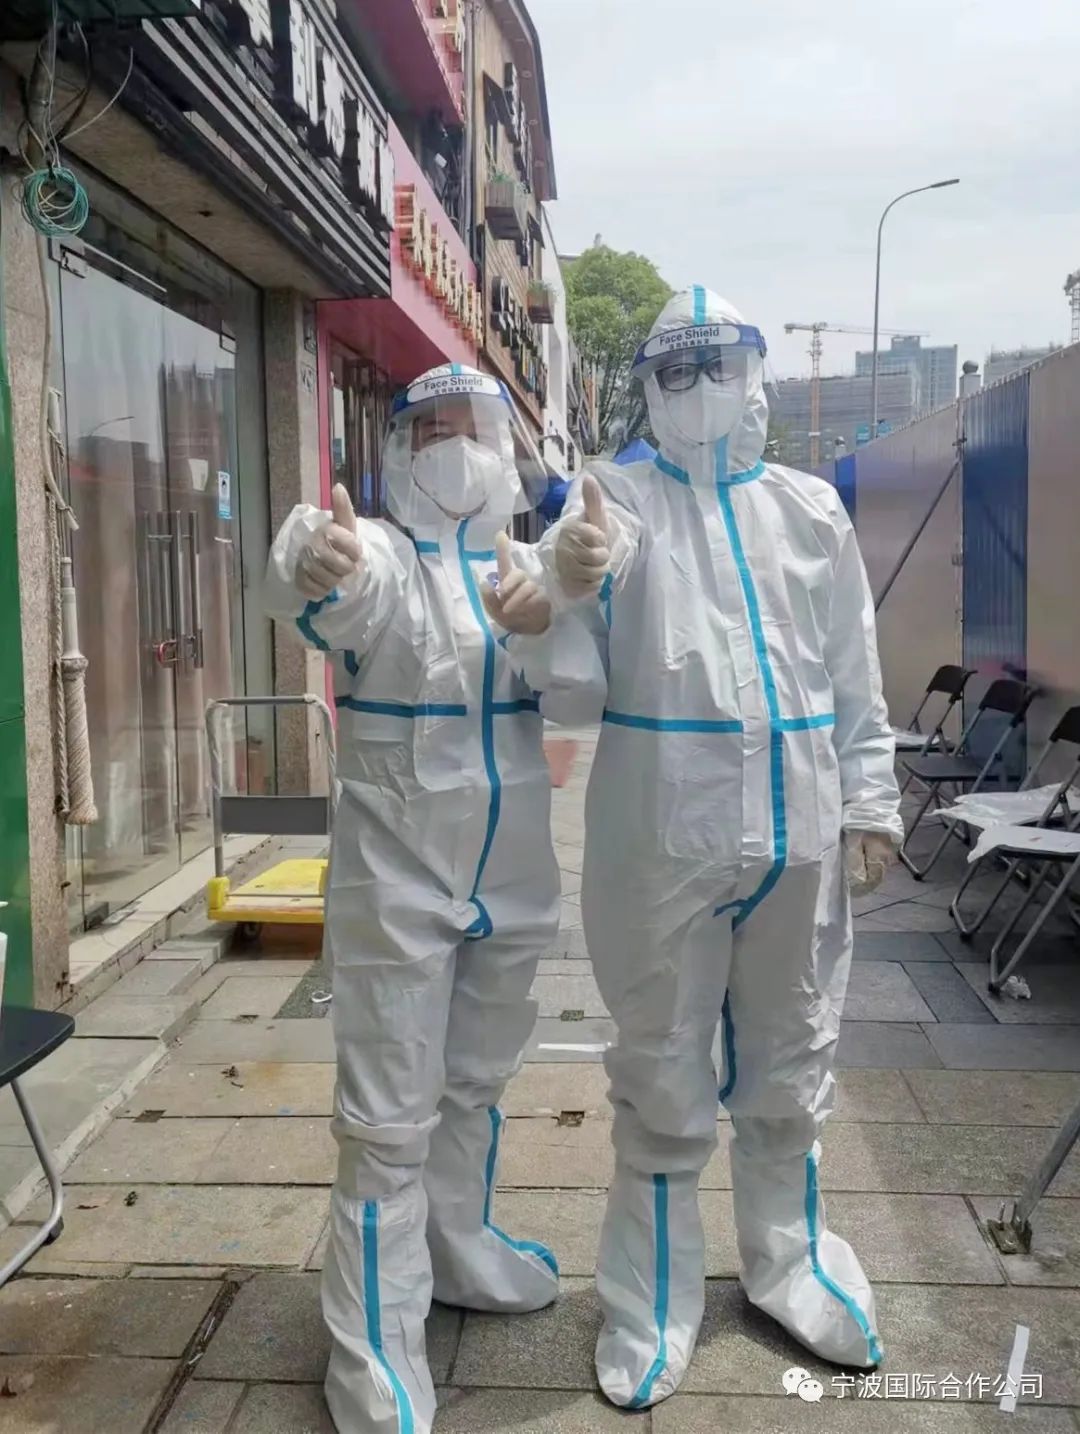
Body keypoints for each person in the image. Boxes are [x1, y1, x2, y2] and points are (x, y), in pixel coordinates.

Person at [492, 287, 903, 1408]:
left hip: (800, 836)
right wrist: (563, 585)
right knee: (662, 1074)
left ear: (756, 374)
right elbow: (555, 629)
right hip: (663, 840)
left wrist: (871, 802)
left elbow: (854, 672)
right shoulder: (616, 501)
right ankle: (650, 1302)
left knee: (793, 1060)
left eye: (721, 366)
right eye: (678, 372)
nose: (703, 390)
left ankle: (791, 1265)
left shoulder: (809, 510)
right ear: (651, 388)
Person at [265, 363, 561, 1434]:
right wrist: (318, 558)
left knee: (475, 1083)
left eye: (472, 427)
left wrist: (564, 610)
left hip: (512, 870)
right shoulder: (383, 555)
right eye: (430, 429)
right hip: (398, 874)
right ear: (398, 449)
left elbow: (585, 676)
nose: (454, 446)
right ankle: (373, 1356)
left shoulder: (526, 566)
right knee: (388, 1123)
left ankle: (457, 1248)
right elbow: (326, 587)